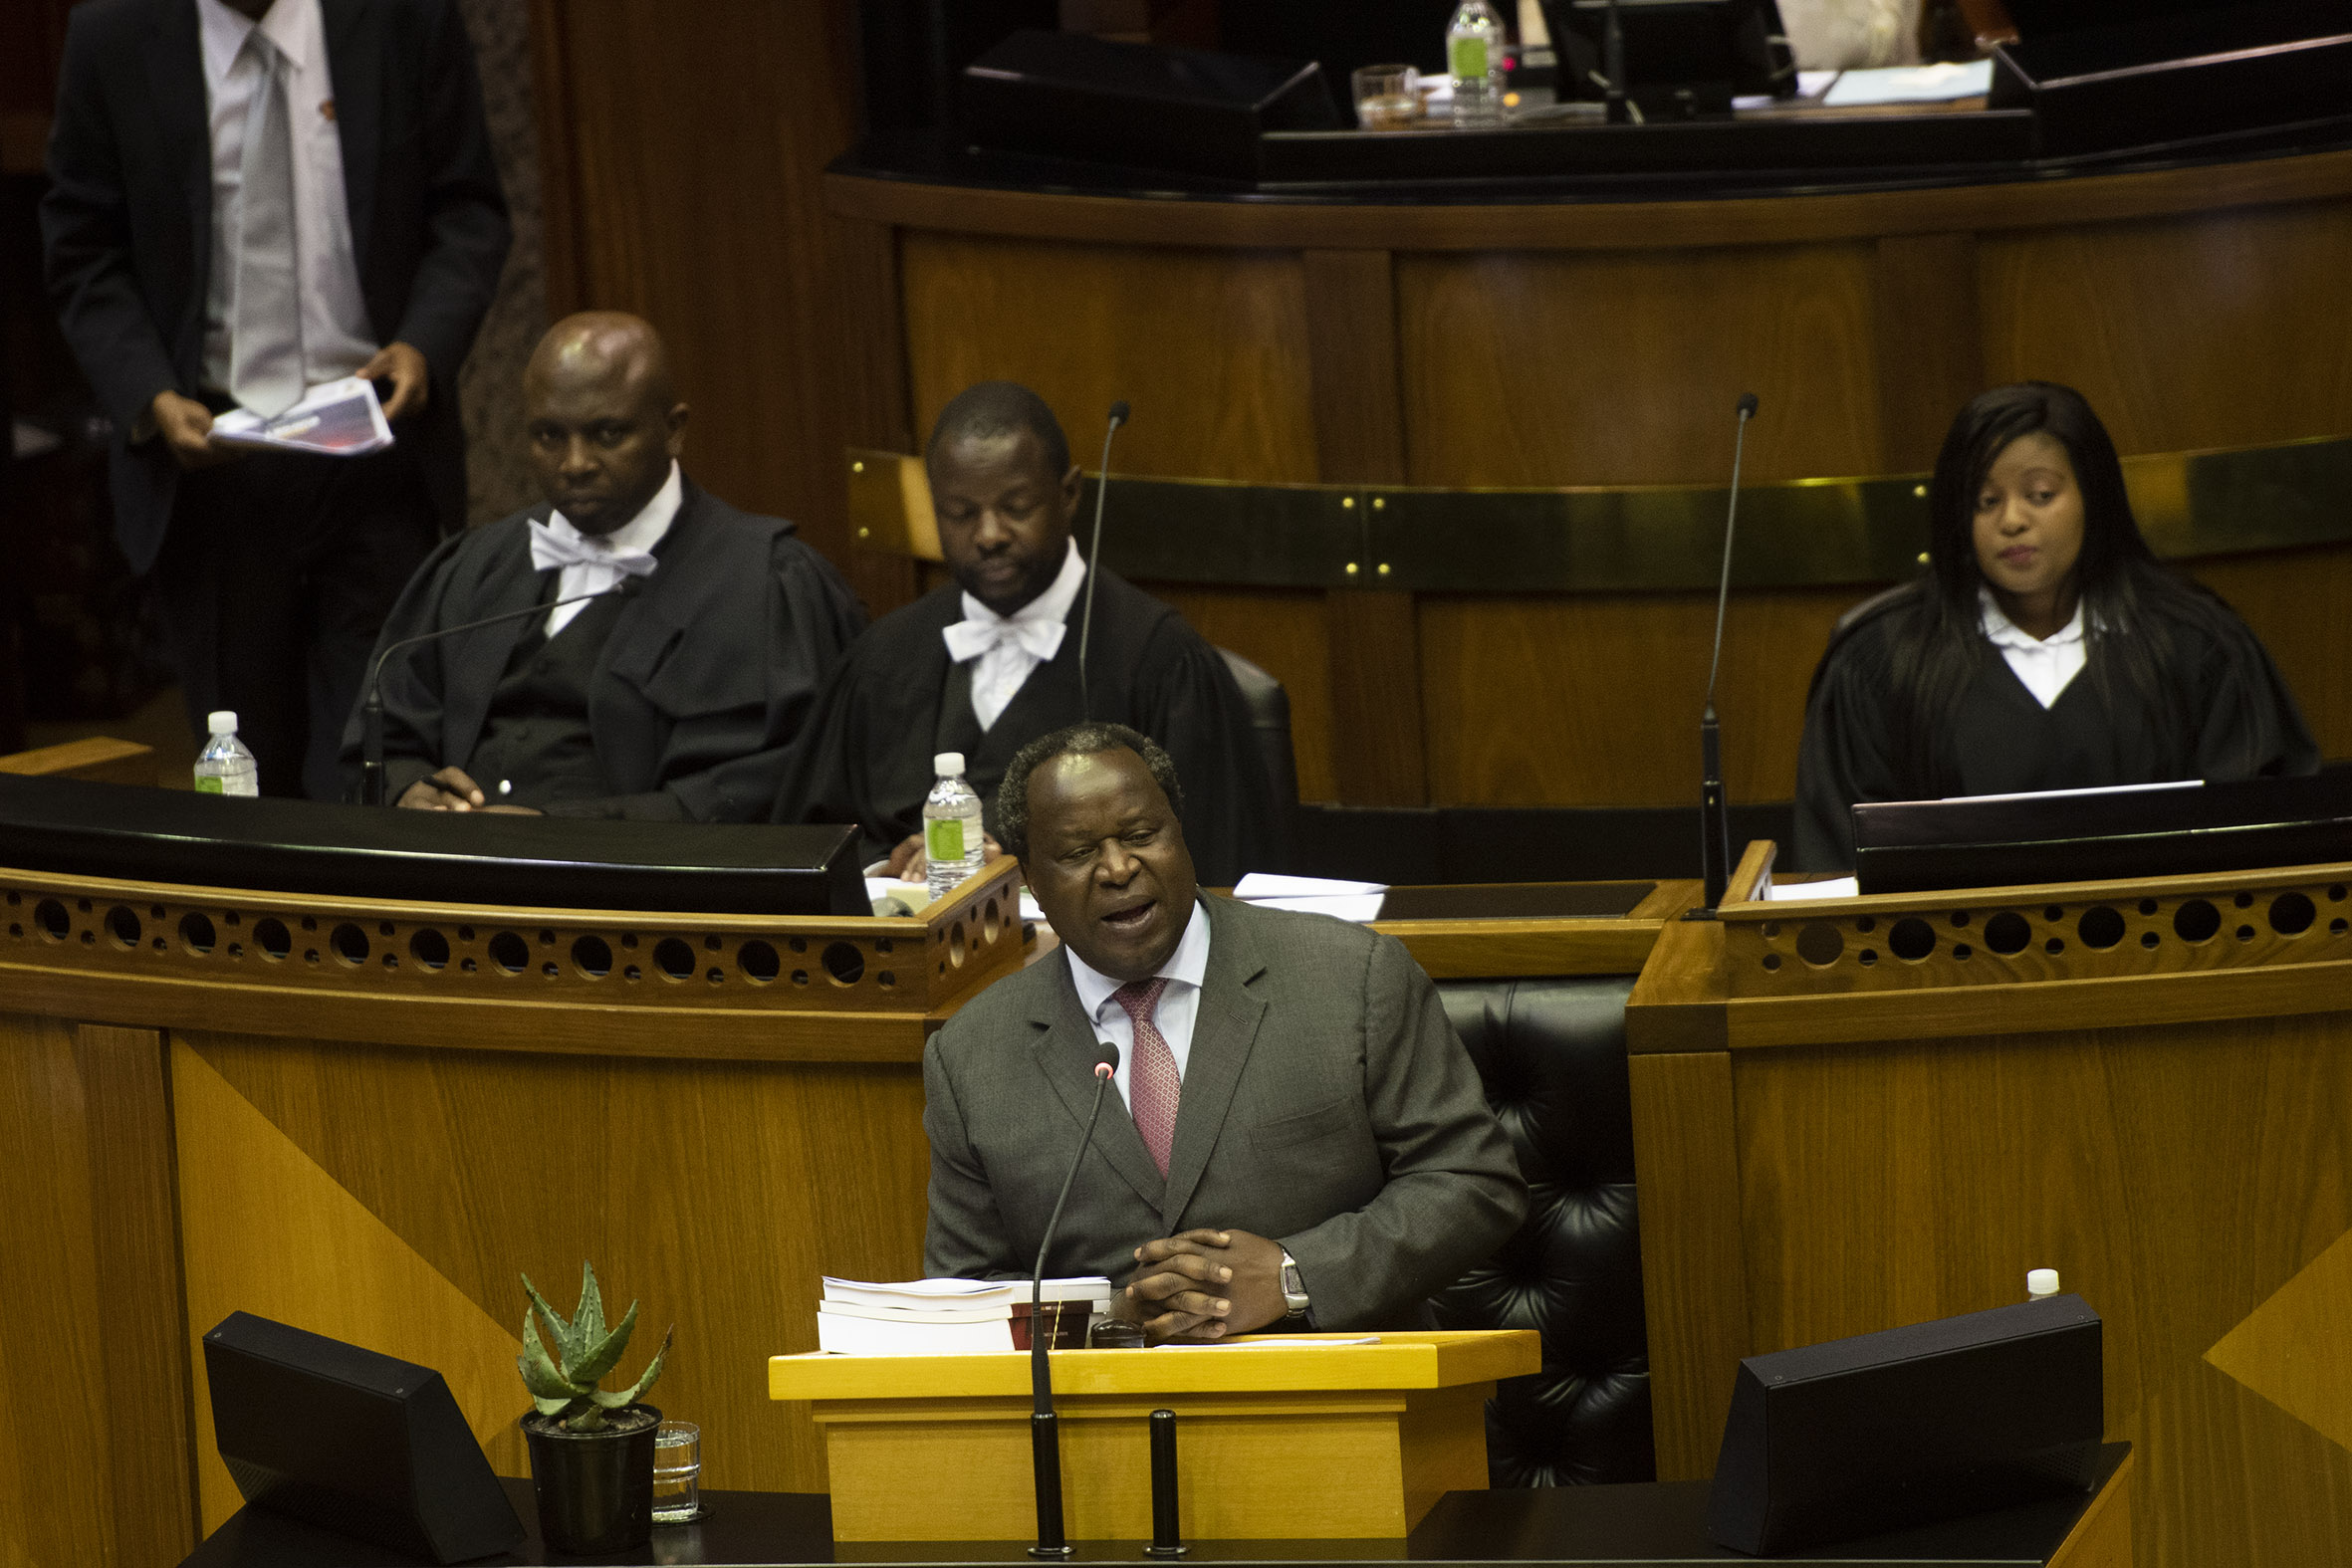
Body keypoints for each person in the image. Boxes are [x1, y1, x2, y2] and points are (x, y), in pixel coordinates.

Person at [43, 0, 510, 799]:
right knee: (244, 776)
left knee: (381, 764)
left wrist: (425, 343)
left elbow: (467, 206)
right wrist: (149, 392)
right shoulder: (113, 32)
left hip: (373, 448)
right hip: (214, 466)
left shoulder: (403, 18)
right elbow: (83, 247)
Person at [921, 722, 1527, 1339]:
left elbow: (1472, 1182)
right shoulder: (971, 1055)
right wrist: (1107, 1322)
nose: (1118, 868)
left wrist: (1296, 1276)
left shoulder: (1352, 977)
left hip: (1343, 1380)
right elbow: (967, 1293)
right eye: (1078, 854)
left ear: (1181, 836)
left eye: (1141, 835)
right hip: (1108, 1396)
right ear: (1030, 880)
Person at [339, 313, 863, 819]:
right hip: (457, 870)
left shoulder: (764, 582)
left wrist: (563, 831)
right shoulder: (475, 566)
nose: (575, 464)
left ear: (674, 430)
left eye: (608, 434)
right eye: (549, 436)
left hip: (638, 877)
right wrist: (406, 791)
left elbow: (761, 791)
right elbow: (383, 742)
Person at [1793, 381, 2318, 870]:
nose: (2012, 520)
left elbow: (2268, 840)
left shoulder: (2196, 644)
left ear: (2094, 497)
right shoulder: (1883, 660)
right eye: (1986, 501)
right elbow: (1842, 869)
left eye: (2041, 494)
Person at [773, 382, 1276, 886]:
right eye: (961, 513)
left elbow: (1211, 872)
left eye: (1016, 507)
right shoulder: (881, 656)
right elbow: (804, 848)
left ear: (1068, 494)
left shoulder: (1160, 661)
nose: (989, 535)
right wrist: (889, 868)